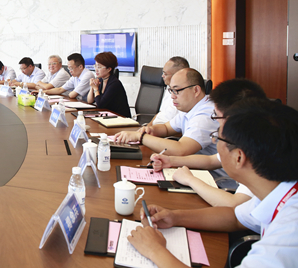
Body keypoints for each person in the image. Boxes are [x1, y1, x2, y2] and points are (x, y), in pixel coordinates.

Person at [127, 99, 298, 268]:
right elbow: (235, 218)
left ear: (239, 157)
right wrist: (175, 217)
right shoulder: (277, 190)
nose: (214, 142)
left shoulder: (289, 234)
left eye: (217, 138)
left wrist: (155, 250)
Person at [149, 78, 267, 207]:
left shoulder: (258, 149)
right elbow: (211, 160)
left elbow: (234, 205)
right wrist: (170, 161)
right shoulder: (245, 138)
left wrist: (190, 180)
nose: (215, 121)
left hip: (227, 193)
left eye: (216, 116)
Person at [113, 68, 219, 157]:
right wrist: (151, 130)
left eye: (176, 91)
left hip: (210, 175)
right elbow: (166, 128)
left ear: (196, 90)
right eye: (171, 90)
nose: (172, 96)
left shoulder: (206, 114)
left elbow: (181, 150)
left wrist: (140, 137)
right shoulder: (190, 107)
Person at [115, 56, 189, 140]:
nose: (162, 76)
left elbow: (180, 129)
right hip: (155, 131)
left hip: (164, 137)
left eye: (165, 74)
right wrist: (148, 127)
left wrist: (149, 135)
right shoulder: (168, 90)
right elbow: (160, 114)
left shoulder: (185, 98)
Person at [86, 51, 131, 117]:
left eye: (99, 67)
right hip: (108, 116)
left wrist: (96, 88)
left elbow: (101, 105)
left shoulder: (114, 84)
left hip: (120, 118)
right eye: (95, 66)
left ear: (109, 69)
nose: (96, 69)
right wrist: (92, 87)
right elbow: (90, 101)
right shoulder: (101, 80)